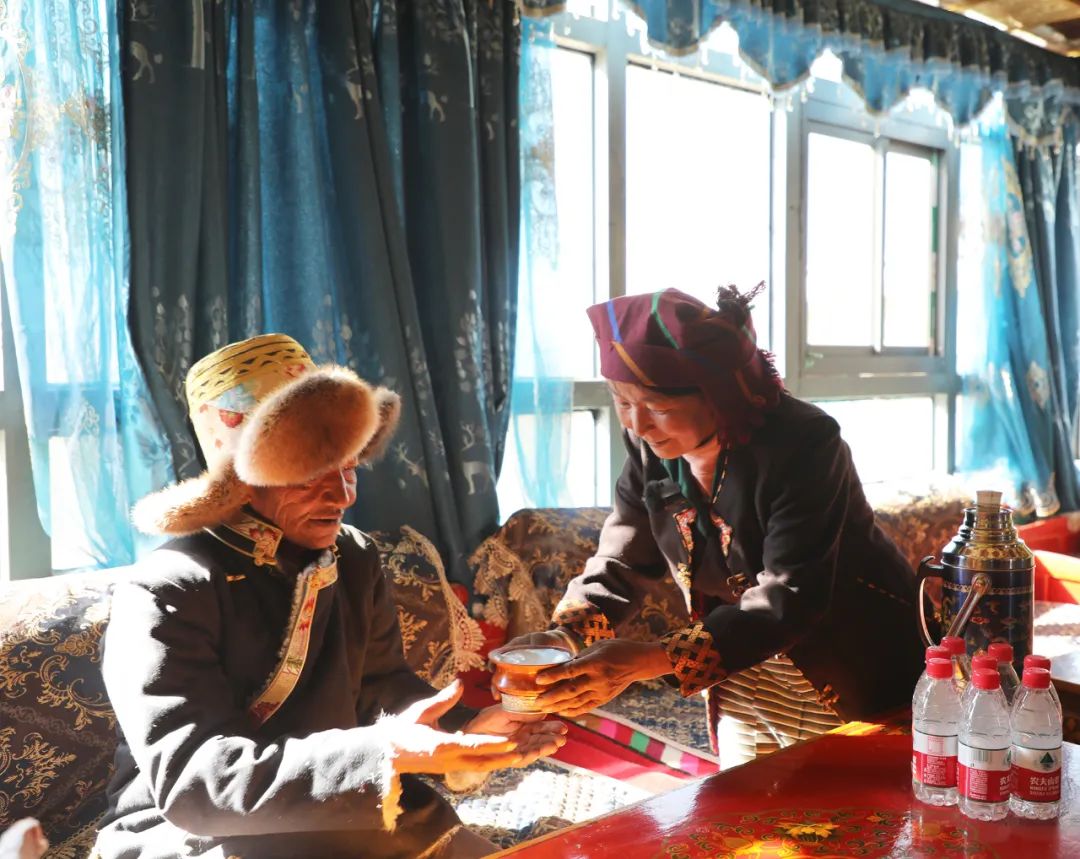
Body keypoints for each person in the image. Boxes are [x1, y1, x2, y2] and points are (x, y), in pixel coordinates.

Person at [93, 334, 565, 859]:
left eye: (349, 466)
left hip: (337, 810)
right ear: (241, 481)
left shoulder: (354, 556)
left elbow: (381, 688)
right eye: (309, 475)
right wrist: (384, 752)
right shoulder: (166, 590)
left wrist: (467, 733)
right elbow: (195, 785)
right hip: (200, 836)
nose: (342, 495)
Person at [511, 286, 924, 767]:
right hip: (739, 661)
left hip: (847, 653)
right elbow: (623, 561)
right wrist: (563, 639)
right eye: (621, 402)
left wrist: (647, 660)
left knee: (844, 799)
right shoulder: (651, 450)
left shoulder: (805, 443)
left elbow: (791, 596)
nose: (638, 424)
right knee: (747, 802)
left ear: (720, 397)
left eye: (657, 407)